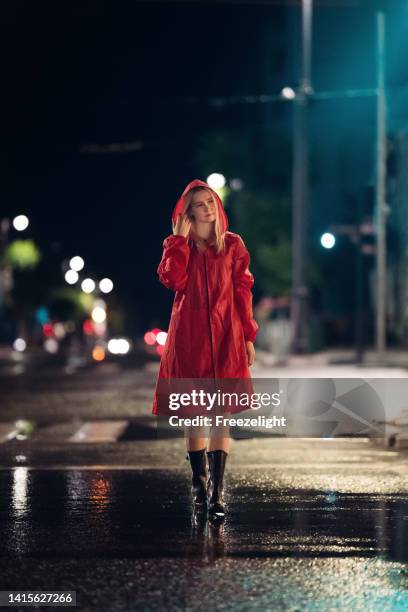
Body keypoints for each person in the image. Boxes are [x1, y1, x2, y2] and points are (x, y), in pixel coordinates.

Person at [152, 179, 258, 517]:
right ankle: (199, 481)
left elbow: (243, 291)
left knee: (220, 414)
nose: (208, 208)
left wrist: (248, 336)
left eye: (211, 202)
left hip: (227, 337)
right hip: (190, 339)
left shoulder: (233, 245)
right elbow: (172, 281)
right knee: (196, 412)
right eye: (200, 204)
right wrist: (179, 242)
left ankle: (217, 491)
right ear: (188, 212)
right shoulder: (179, 246)